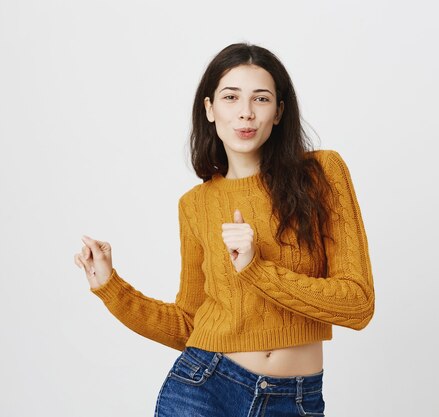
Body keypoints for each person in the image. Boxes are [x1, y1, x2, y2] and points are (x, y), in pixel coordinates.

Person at [73, 42, 375, 417]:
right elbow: (188, 325)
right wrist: (110, 287)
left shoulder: (322, 173)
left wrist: (256, 268)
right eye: (231, 97)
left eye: (261, 99)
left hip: (297, 399)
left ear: (279, 111)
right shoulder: (195, 205)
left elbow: (358, 304)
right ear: (210, 109)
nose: (245, 113)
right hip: (203, 390)